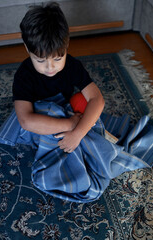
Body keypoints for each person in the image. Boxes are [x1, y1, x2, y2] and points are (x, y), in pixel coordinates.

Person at [13, 2, 105, 153]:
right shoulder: (24, 75)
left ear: (67, 44)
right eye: (41, 61)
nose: (50, 67)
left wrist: (78, 133)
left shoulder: (72, 65)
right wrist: (70, 124)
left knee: (87, 111)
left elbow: (97, 99)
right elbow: (26, 120)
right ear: (27, 48)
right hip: (39, 117)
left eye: (57, 59)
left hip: (63, 108)